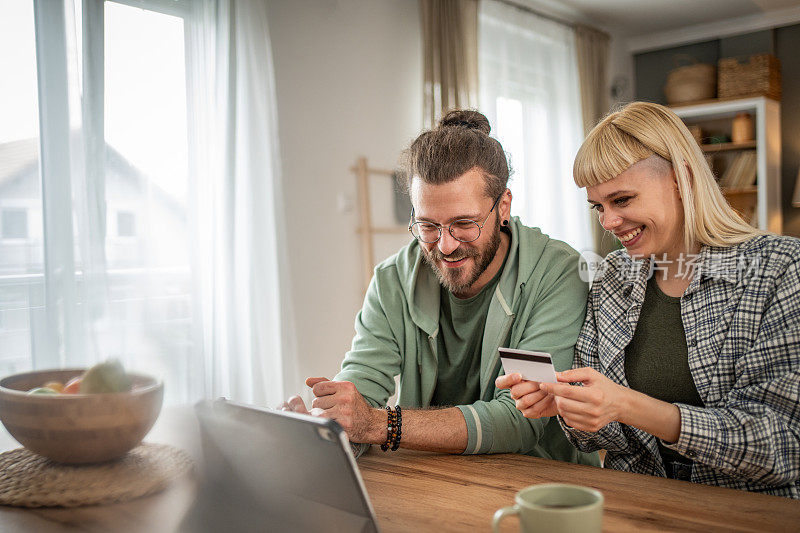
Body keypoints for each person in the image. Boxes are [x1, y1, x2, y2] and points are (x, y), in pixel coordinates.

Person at [497, 101, 800, 498]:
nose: (607, 222)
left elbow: (783, 448)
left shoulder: (780, 270)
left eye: (622, 200)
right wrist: (569, 406)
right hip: (637, 507)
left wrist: (627, 405)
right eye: (598, 206)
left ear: (681, 179)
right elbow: (598, 442)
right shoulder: (611, 278)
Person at [281, 110, 598, 465]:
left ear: (503, 206)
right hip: (430, 478)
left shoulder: (557, 272)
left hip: (539, 484)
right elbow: (363, 386)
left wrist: (382, 425)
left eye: (464, 224)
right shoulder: (392, 280)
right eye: (428, 226)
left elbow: (521, 420)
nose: (445, 246)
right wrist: (329, 427)